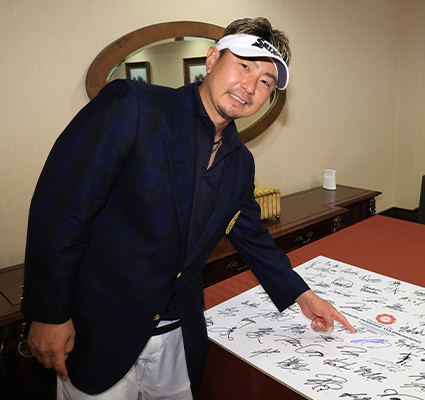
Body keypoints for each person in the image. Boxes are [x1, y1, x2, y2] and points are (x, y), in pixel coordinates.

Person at [21, 17, 354, 399]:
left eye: (266, 81)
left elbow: (250, 235)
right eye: (244, 66)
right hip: (100, 331)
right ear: (212, 59)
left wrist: (302, 295)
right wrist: (48, 313)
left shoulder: (240, 161)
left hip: (179, 336)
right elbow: (61, 213)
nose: (250, 87)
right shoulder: (133, 106)